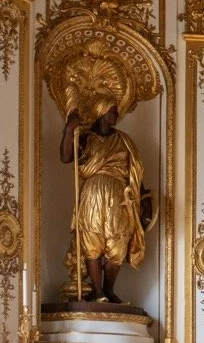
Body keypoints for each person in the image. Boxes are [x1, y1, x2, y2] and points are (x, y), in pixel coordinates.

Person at [59, 101, 152, 304]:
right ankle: (98, 291)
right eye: (112, 111)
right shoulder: (85, 138)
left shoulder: (124, 141)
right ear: (101, 112)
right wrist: (69, 129)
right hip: (92, 195)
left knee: (117, 245)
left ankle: (109, 289)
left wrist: (144, 199)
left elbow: (135, 174)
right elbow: (66, 157)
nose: (116, 114)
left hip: (119, 198)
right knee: (92, 241)